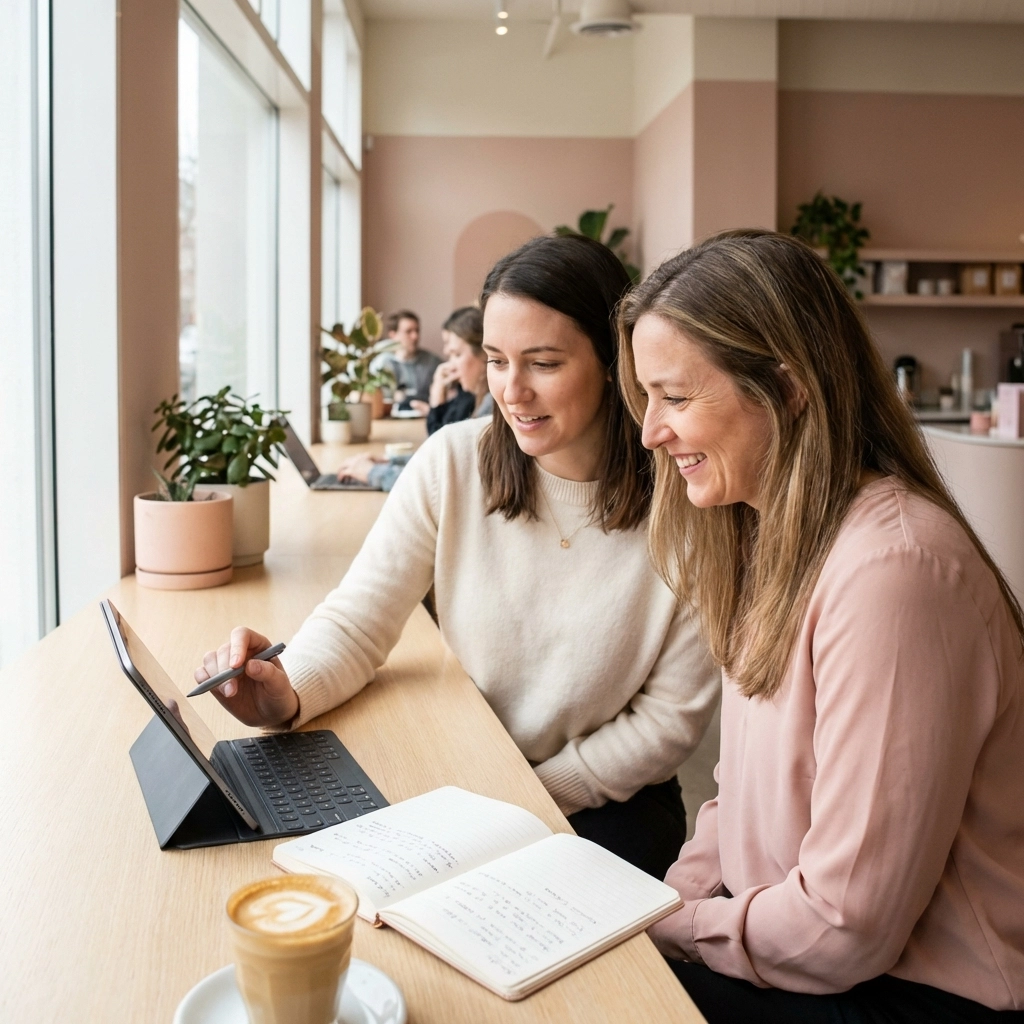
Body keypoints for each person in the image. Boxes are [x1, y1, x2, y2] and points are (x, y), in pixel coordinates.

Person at [194, 234, 720, 879]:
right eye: (496, 360)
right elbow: (360, 620)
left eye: (544, 363)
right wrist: (285, 694)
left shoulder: (690, 505)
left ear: (615, 362)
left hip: (605, 800)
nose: (512, 391)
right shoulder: (453, 462)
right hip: (466, 780)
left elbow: (668, 722)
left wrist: (530, 797)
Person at [618, 230, 1024, 1020]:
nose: (649, 434)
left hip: (916, 992)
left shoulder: (894, 575)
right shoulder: (769, 534)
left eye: (674, 397)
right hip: (802, 946)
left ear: (786, 386)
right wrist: (659, 911)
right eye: (645, 398)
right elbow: (738, 798)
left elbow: (846, 930)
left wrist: (677, 927)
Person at [338, 307, 493, 492]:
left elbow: (443, 482)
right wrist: (394, 460)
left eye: (457, 354)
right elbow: (448, 462)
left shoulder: (491, 408)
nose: (450, 365)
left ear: (485, 355)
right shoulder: (483, 402)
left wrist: (373, 473)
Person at [377, 310, 440, 412]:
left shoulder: (433, 363)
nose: (415, 336)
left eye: (417, 331)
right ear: (393, 335)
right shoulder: (382, 364)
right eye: (408, 331)